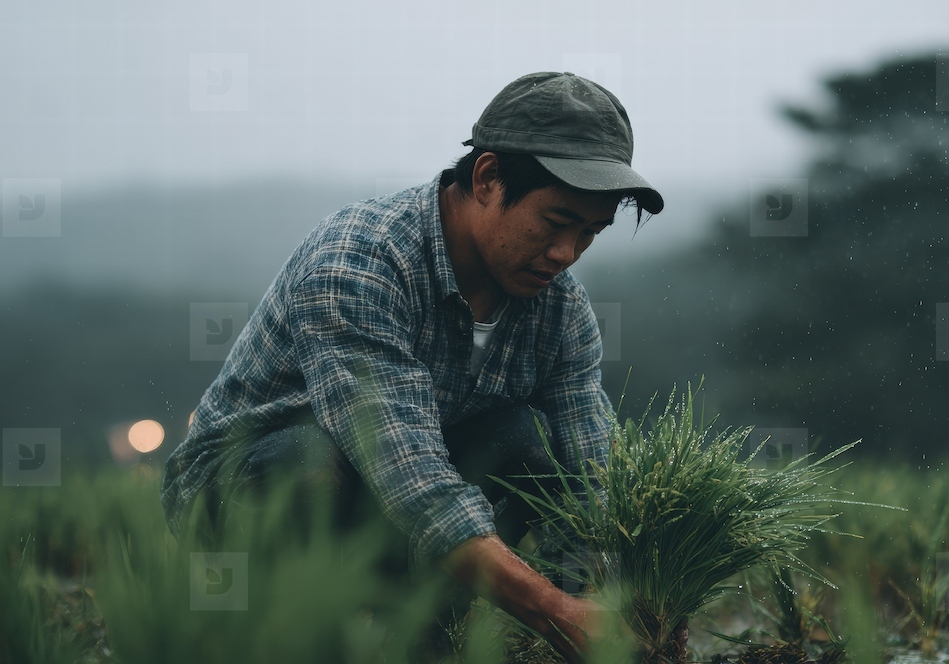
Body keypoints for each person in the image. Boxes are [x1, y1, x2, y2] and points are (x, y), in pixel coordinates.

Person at [159, 71, 666, 663]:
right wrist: (551, 610)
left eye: (589, 233)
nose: (566, 254)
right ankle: (279, 637)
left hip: (397, 514)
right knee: (305, 461)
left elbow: (589, 473)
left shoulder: (561, 311)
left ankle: (431, 629)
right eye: (555, 223)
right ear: (487, 178)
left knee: (532, 439)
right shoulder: (360, 261)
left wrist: (626, 606)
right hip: (250, 494)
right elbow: (407, 471)